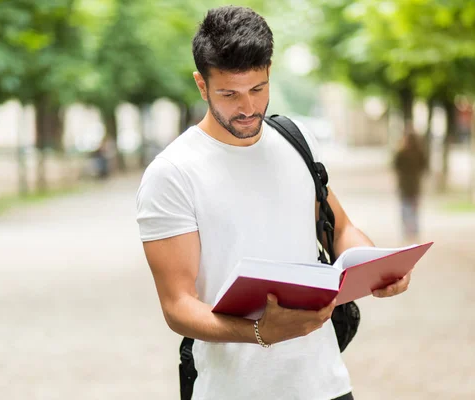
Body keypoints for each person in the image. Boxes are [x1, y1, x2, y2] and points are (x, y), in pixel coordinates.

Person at [136, 6, 412, 400]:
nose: (248, 108)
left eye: (257, 89)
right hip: (232, 391)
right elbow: (178, 305)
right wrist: (260, 332)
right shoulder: (173, 173)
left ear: (269, 72)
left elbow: (341, 228)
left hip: (326, 384)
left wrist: (376, 266)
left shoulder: (295, 138)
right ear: (202, 85)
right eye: (229, 94)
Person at [393, 128, 428, 242]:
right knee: (414, 211)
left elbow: (395, 166)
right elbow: (424, 167)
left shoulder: (401, 153)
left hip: (404, 186)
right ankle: (414, 233)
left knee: (405, 210)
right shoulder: (419, 153)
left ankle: (406, 232)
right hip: (415, 187)